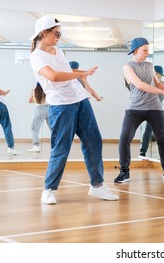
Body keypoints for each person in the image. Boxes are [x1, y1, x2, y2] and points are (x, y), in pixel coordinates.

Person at [29, 16, 118, 204]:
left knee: (94, 142)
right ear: (43, 33)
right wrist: (81, 73)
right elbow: (53, 76)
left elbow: (66, 72)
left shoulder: (58, 50)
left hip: (80, 100)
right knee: (61, 148)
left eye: (60, 33)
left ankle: (97, 186)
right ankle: (49, 189)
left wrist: (83, 73)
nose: (59, 36)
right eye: (56, 33)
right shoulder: (36, 56)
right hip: (61, 106)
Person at [115, 37, 164, 183]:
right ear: (135, 50)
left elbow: (158, 83)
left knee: (162, 139)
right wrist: (163, 93)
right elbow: (140, 85)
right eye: (144, 50)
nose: (147, 53)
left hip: (154, 108)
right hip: (135, 109)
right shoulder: (127, 67)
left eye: (148, 50)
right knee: (124, 137)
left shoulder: (150, 65)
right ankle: (124, 172)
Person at [139, 65, 164, 158]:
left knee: (157, 133)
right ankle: (143, 151)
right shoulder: (149, 84)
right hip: (152, 111)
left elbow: (159, 98)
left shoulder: (162, 84)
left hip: (157, 111)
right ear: (156, 73)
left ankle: (144, 151)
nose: (161, 77)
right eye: (160, 75)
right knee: (149, 131)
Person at [28, 82, 50, 152]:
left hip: (39, 109)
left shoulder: (34, 91)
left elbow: (30, 101)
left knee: (34, 128)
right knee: (53, 129)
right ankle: (55, 146)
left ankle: (36, 146)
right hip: (49, 109)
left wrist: (37, 100)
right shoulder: (47, 90)